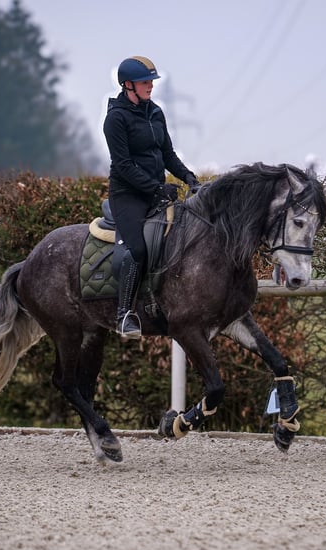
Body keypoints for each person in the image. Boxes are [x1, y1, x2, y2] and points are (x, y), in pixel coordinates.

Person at [103, 56, 199, 340]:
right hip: (127, 195)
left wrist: (189, 177)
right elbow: (123, 166)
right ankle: (125, 314)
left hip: (155, 191)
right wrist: (156, 189)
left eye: (152, 82)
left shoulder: (155, 112)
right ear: (128, 84)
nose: (151, 87)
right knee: (138, 250)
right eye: (146, 82)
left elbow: (167, 154)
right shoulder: (115, 119)